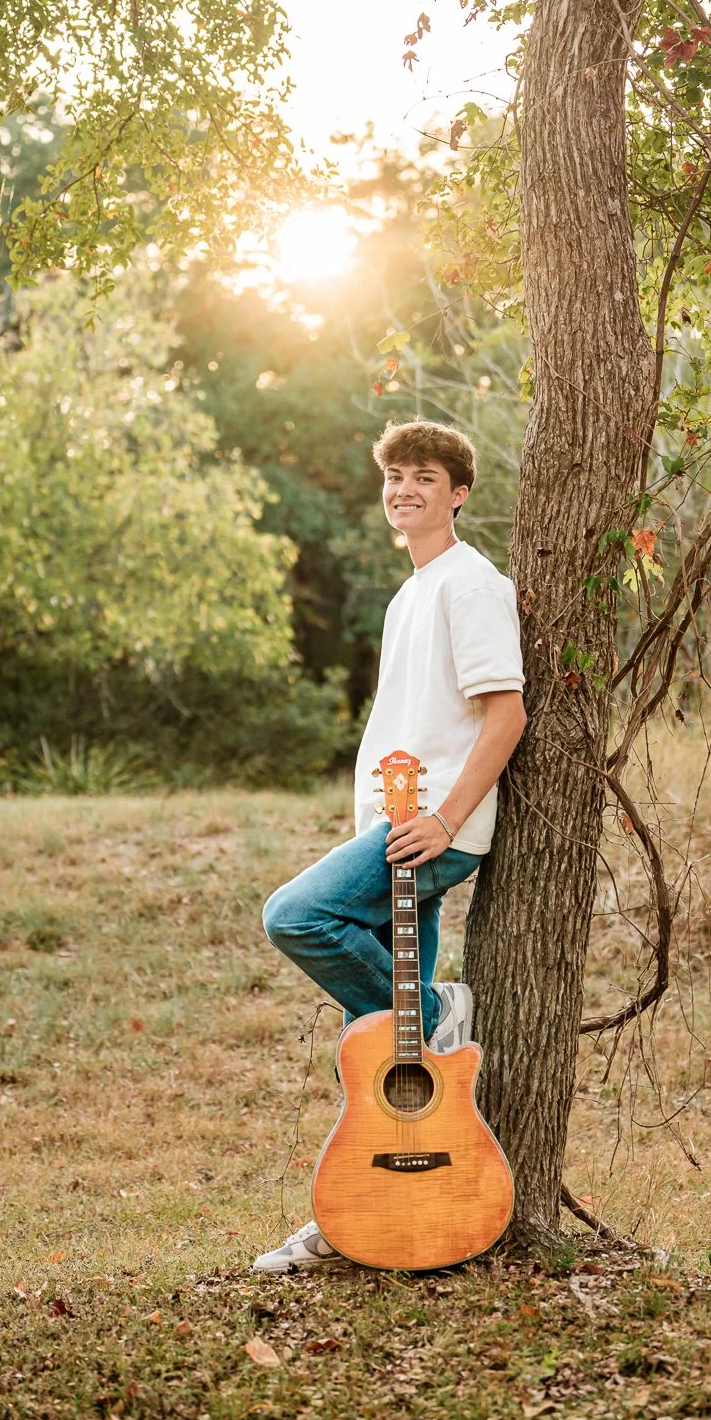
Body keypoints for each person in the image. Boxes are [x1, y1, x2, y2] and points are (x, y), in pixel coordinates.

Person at [253, 417, 526, 1272]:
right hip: (394, 829)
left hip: (432, 832)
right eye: (394, 476)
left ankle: (437, 1015)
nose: (404, 489)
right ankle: (364, 1223)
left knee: (294, 917)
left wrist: (444, 820)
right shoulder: (411, 593)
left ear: (459, 494)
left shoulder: (470, 585)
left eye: (424, 477)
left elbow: (507, 715)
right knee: (376, 1058)